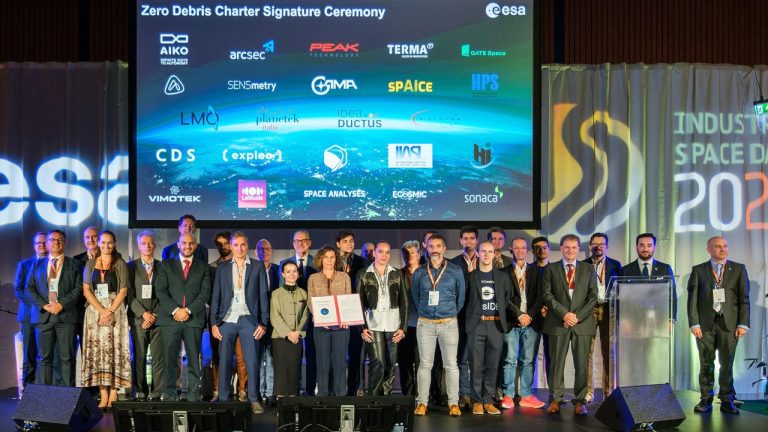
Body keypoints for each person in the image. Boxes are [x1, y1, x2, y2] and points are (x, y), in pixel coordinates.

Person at [688, 236, 750, 415]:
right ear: (709, 249)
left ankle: (726, 399)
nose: (723, 249)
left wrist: (743, 324)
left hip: (729, 326)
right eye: (718, 246)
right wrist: (694, 323)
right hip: (705, 325)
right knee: (706, 363)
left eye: (725, 246)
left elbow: (744, 299)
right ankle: (706, 398)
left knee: (727, 364)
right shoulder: (699, 270)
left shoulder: (738, 269)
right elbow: (692, 300)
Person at [210, 232, 269, 415]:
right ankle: (224, 398)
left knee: (251, 361)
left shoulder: (257, 266)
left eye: (243, 245)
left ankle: (254, 399)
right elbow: (216, 296)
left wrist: (263, 322)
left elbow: (263, 296)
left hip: (248, 320)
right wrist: (213, 323)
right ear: (232, 246)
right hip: (226, 320)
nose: (239, 248)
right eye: (236, 245)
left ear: (247, 245)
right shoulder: (223, 268)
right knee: (225, 360)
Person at [411, 234, 466, 417]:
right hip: (425, 324)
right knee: (425, 365)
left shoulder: (455, 270)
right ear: (427, 248)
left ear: (444, 248)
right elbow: (415, 297)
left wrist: (448, 313)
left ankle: (453, 403)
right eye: (431, 246)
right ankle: (422, 403)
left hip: (449, 323)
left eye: (438, 246)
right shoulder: (419, 272)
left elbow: (461, 298)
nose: (435, 249)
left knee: (451, 365)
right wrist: (426, 313)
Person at [542, 234, 597, 416]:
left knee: (582, 363)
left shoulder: (589, 269)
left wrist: (576, 317)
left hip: (582, 324)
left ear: (579, 249)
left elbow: (593, 296)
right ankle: (555, 399)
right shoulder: (551, 269)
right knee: (556, 363)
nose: (570, 251)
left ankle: (580, 400)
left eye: (574, 248)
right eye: (567, 247)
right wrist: (565, 314)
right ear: (561, 248)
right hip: (558, 322)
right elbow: (547, 295)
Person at [155, 232, 212, 402]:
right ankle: (170, 396)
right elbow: (161, 291)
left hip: (193, 319)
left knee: (194, 360)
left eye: (191, 243)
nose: (187, 246)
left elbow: (204, 293)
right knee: (170, 360)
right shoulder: (166, 265)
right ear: (178, 245)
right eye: (184, 243)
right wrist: (175, 310)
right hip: (169, 319)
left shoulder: (203, 266)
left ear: (195, 246)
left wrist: (187, 311)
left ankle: (194, 397)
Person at [81, 230, 132, 410]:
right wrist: (101, 310)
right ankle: (103, 395)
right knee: (99, 354)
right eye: (103, 242)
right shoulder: (90, 263)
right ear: (98, 243)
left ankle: (113, 394)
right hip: (95, 312)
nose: (106, 246)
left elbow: (123, 290)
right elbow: (86, 290)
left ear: (115, 243)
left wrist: (109, 310)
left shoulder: (120, 263)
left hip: (115, 311)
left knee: (113, 352)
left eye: (109, 242)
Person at [26, 230, 83, 387]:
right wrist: (45, 305)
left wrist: (61, 304)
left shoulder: (75, 265)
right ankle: (45, 397)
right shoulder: (36, 264)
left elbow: (79, 289)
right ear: (47, 242)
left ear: (64, 243)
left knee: (67, 358)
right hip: (43, 317)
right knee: (43, 359)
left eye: (60, 240)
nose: (56, 242)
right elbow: (29, 289)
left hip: (66, 317)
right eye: (53, 239)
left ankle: (66, 400)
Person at [465, 241, 511, 415]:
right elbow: (466, 301)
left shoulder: (502, 276)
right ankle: (476, 400)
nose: (486, 254)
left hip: (495, 324)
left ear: (495, 254)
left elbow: (506, 300)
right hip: (476, 325)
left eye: (490, 251)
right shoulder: (471, 276)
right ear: (477, 253)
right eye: (483, 251)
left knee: (493, 364)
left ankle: (488, 399)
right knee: (476, 365)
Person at [358, 241, 408, 396]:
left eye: (387, 252)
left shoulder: (398, 274)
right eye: (381, 251)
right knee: (377, 362)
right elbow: (357, 302)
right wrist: (362, 328)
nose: (384, 255)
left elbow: (404, 302)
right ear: (374, 253)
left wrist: (403, 328)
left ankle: (386, 399)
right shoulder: (363, 274)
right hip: (373, 324)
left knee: (391, 364)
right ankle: (374, 398)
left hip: (393, 325)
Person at [501, 237, 545, 409]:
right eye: (516, 247)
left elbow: (541, 296)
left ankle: (526, 395)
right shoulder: (503, 272)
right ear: (511, 249)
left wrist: (529, 316)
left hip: (532, 322)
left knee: (528, 360)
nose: (520, 250)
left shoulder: (537, 271)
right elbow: (503, 298)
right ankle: (508, 395)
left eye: (523, 248)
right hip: (512, 321)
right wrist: (519, 315)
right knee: (510, 360)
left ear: (528, 251)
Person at [307, 245, 352, 396]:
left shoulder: (344, 277)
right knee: (323, 363)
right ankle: (323, 396)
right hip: (321, 327)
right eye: (326, 257)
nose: (329, 260)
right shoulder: (313, 278)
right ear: (320, 259)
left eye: (332, 257)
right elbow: (310, 301)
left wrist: (346, 318)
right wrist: (320, 319)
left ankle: (340, 396)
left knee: (340, 363)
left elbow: (348, 299)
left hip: (341, 326)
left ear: (336, 259)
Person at [583, 233, 622, 401]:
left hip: (609, 309)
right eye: (595, 243)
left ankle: (609, 392)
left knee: (609, 353)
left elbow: (622, 289)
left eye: (602, 243)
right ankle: (587, 392)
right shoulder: (583, 265)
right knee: (586, 352)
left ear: (606, 246)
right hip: (589, 309)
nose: (598, 246)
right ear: (589, 246)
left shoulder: (615, 265)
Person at [209, 231, 247, 402]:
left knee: (241, 356)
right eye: (220, 244)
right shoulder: (212, 267)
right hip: (220, 319)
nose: (223, 247)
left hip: (242, 317)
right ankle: (218, 389)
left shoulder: (246, 264)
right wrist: (214, 320)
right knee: (219, 357)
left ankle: (242, 390)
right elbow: (212, 296)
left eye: (226, 243)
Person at [128, 231, 165, 402]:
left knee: (159, 358)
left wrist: (154, 315)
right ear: (138, 246)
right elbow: (128, 294)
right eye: (144, 243)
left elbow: (166, 294)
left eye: (150, 243)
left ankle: (157, 392)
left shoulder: (163, 267)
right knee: (139, 356)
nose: (148, 246)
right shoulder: (130, 267)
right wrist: (144, 314)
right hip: (138, 319)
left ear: (155, 245)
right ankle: (140, 390)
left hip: (158, 320)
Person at [279, 229, 317, 396]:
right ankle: (293, 391)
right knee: (293, 357)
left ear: (309, 242)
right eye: (297, 241)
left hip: (312, 317)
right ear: (293, 243)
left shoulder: (317, 263)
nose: (300, 243)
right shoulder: (284, 263)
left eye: (304, 240)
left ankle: (309, 391)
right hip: (290, 319)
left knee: (312, 356)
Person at [449, 225, 479, 408]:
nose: (468, 241)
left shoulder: (485, 260)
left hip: (481, 316)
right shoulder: (452, 264)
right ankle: (464, 394)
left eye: (472, 238)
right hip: (459, 316)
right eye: (465, 238)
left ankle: (480, 394)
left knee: (480, 358)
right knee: (461, 358)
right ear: (460, 240)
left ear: (477, 240)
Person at [335, 229, 368, 396]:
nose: (349, 243)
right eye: (345, 241)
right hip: (335, 312)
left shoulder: (362, 262)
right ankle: (337, 389)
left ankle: (353, 389)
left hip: (355, 312)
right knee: (337, 354)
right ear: (338, 244)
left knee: (355, 353)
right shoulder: (331, 261)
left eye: (351, 241)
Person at [270, 261, 309, 397]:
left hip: (297, 338)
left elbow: (305, 316)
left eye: (294, 271)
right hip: (280, 338)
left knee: (294, 371)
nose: (292, 274)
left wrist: (297, 332)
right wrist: (288, 333)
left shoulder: (304, 294)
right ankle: (281, 405)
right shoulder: (276, 294)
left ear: (298, 274)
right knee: (281, 371)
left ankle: (293, 402)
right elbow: (275, 316)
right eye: (288, 271)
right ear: (282, 274)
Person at [14, 231, 47, 387]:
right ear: (34, 246)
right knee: (29, 355)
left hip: (48, 317)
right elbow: (19, 289)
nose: (42, 245)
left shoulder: (54, 264)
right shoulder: (25, 264)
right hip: (29, 316)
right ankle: (26, 391)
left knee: (46, 356)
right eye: (38, 243)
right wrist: (38, 304)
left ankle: (45, 391)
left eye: (44, 242)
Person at [620, 233, 677, 321]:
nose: (645, 249)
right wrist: (623, 320)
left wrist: (671, 318)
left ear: (654, 247)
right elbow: (622, 299)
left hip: (660, 319)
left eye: (649, 245)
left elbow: (672, 295)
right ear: (636, 247)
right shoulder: (625, 270)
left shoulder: (665, 269)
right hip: (633, 320)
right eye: (642, 245)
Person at [257, 238, 280, 406]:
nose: (264, 251)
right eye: (261, 249)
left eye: (267, 248)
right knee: (257, 358)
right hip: (256, 322)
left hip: (274, 322)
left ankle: (271, 393)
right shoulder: (252, 269)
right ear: (257, 251)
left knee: (271, 358)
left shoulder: (279, 270)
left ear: (271, 251)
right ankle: (258, 392)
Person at [397, 240, 421, 397]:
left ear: (419, 254)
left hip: (424, 324)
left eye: (412, 252)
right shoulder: (398, 274)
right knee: (405, 362)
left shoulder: (427, 273)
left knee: (422, 364)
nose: (409, 256)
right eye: (406, 253)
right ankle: (408, 395)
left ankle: (421, 396)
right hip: (404, 325)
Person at [531, 236, 552, 393]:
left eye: (544, 247)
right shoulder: (529, 269)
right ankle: (527, 391)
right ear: (533, 251)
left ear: (549, 249)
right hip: (532, 318)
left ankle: (554, 392)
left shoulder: (556, 269)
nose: (541, 250)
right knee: (528, 357)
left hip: (551, 318)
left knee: (551, 356)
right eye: (537, 248)